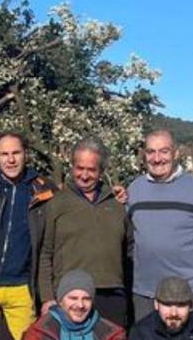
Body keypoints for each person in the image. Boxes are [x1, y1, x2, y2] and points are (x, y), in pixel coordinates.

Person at [126, 129, 193, 323]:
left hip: (190, 297)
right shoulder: (134, 190)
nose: (157, 158)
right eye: (151, 152)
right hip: (145, 297)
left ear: (176, 153)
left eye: (163, 151)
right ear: (144, 155)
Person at [0, 132, 57, 340]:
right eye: (4, 154)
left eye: (16, 153)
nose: (10, 160)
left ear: (25, 154)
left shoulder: (44, 189)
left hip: (22, 288)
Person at [37, 137, 133, 328]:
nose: (84, 175)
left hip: (112, 295)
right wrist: (47, 297)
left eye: (91, 169)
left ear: (101, 172)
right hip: (70, 296)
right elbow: (45, 254)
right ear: (72, 167)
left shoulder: (116, 204)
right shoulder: (57, 203)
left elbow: (129, 251)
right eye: (80, 168)